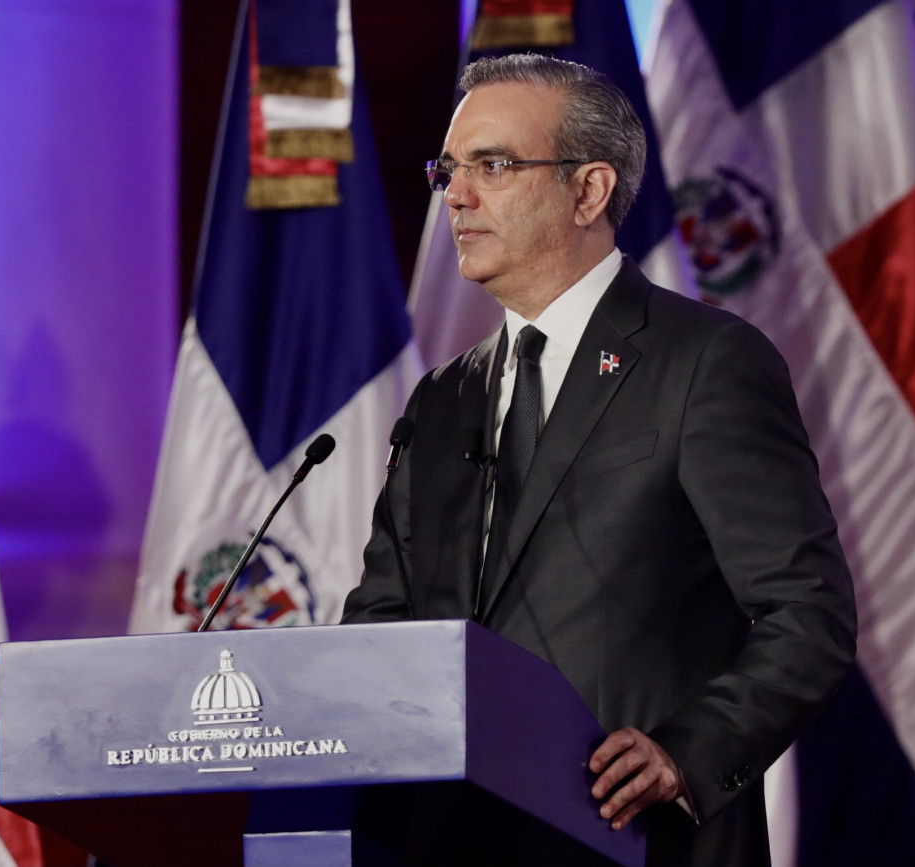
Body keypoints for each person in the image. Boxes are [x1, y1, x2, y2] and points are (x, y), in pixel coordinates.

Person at [341, 54, 857, 866]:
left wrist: (686, 753)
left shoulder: (705, 361)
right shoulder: (442, 399)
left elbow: (808, 611)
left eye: (493, 166)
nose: (457, 196)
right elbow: (381, 623)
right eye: (449, 169)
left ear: (588, 191)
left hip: (638, 838)